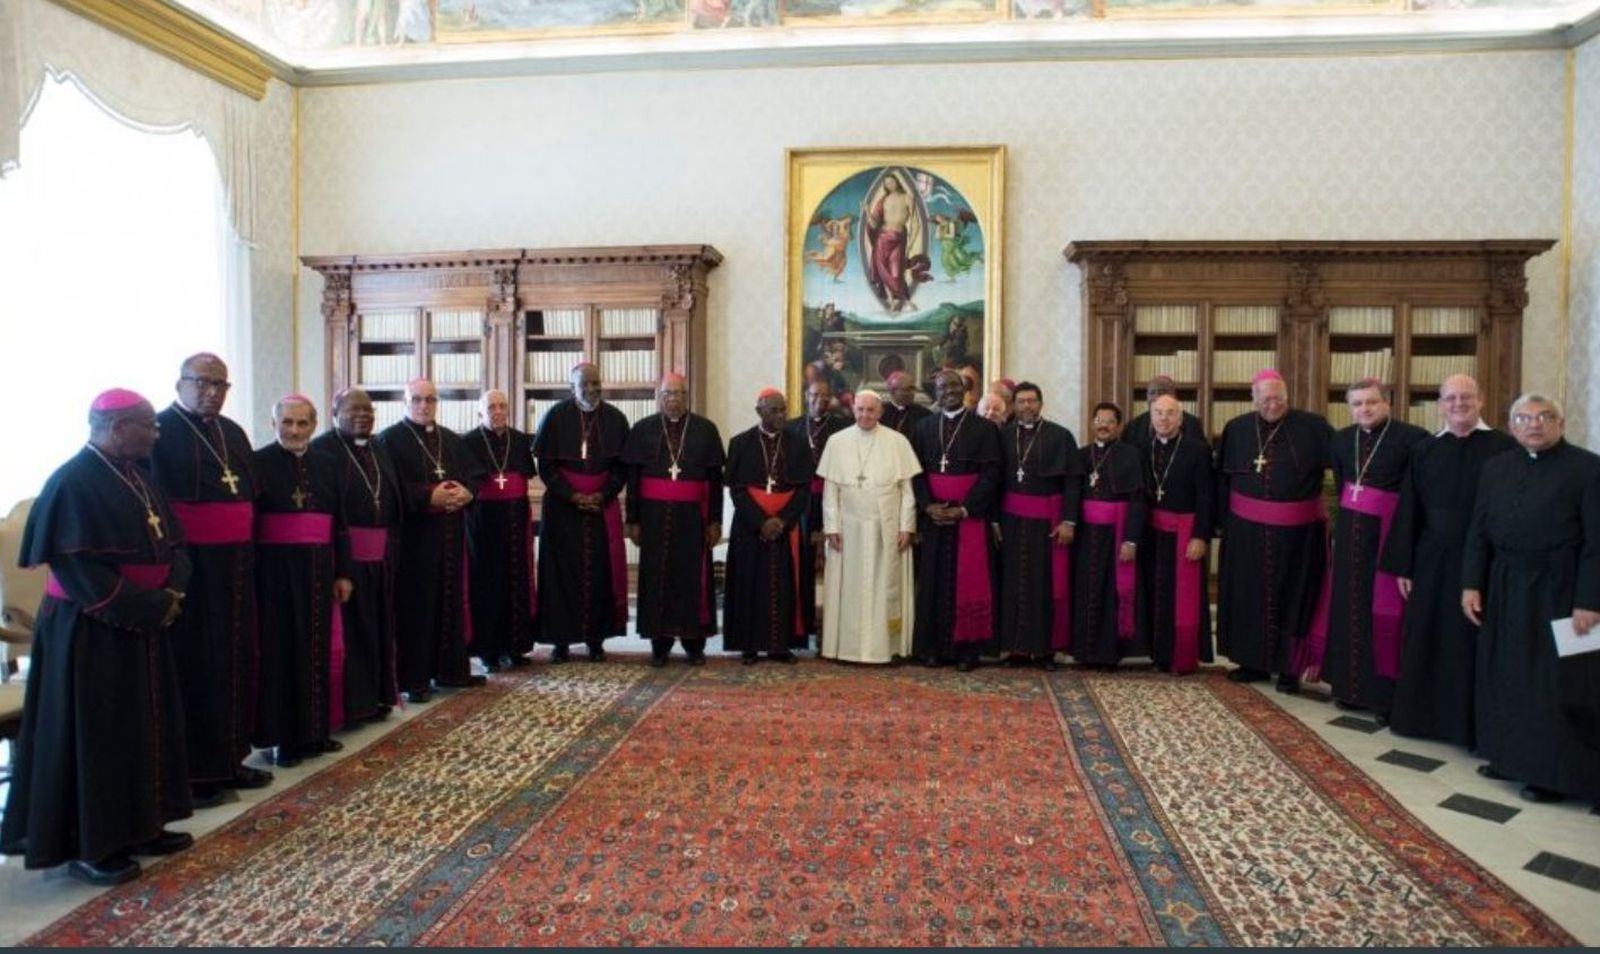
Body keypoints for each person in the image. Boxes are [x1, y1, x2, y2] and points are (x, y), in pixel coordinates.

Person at [1, 390, 194, 886]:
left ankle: (143, 824)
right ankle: (93, 844)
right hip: (92, 632)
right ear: (114, 427)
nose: (157, 433)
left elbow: (174, 545)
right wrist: (149, 606)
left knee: (144, 727)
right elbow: (80, 573)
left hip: (144, 626)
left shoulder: (138, 477)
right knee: (100, 737)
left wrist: (172, 592)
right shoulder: (71, 483)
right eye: (148, 425)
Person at [1462, 393, 1600, 803]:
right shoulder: (1496, 468)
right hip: (1504, 583)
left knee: (1553, 683)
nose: (1534, 424)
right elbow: (1479, 531)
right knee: (1505, 673)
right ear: (1511, 425)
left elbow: (1597, 544)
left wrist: (1590, 601)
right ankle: (1507, 756)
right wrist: (1472, 583)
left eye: (1544, 417)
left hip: (1560, 588)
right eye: (1523, 417)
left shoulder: (1588, 469)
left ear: (1561, 422)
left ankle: (1552, 773)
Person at [149, 352, 271, 806]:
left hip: (237, 569)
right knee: (198, 666)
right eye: (201, 382)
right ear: (180, 382)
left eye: (220, 384)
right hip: (194, 572)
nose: (211, 392)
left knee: (235, 661)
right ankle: (196, 775)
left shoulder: (232, 432)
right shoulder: (158, 433)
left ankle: (231, 760)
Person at [1379, 375, 1516, 747]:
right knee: (1427, 634)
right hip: (1432, 559)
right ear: (1440, 404)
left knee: (1474, 640)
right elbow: (1410, 507)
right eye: (1450, 398)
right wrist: (1404, 565)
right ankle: (1423, 718)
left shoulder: (1504, 447)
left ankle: (1473, 726)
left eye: (1466, 397)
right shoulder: (1425, 449)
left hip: (1484, 560)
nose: (1458, 404)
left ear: (1482, 400)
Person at [1315, 379, 1428, 723]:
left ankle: (1385, 696)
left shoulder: (1413, 439)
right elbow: (1346, 483)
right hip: (1351, 534)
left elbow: (1416, 495)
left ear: (1387, 403)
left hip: (1390, 534)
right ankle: (1349, 689)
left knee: (1386, 614)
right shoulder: (1342, 438)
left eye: (1371, 402)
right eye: (1357, 404)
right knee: (1349, 607)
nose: (1364, 409)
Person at [1214, 369, 1334, 693]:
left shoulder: (1314, 427)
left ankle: (1289, 669)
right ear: (1253, 398)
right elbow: (1223, 481)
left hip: (1298, 536)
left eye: (1278, 397)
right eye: (1265, 398)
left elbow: (1338, 473)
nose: (1272, 404)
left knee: (1295, 598)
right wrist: (1222, 525)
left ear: (1287, 396)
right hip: (1245, 533)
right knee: (1247, 596)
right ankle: (1251, 662)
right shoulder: (1236, 429)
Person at [252, 395, 350, 768]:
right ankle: (283, 740)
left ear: (313, 425)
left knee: (316, 650)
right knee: (281, 654)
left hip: (320, 570)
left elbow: (339, 522)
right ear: (273, 424)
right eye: (287, 423)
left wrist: (343, 572)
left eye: (302, 423)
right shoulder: (258, 463)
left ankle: (315, 731)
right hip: (274, 574)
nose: (294, 430)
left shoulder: (327, 463)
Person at [376, 378, 483, 702]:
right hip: (414, 540)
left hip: (450, 536)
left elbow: (473, 476)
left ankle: (452, 670)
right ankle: (415, 679)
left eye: (430, 400)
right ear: (405, 401)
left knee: (450, 601)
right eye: (417, 399)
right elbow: (388, 489)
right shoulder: (389, 441)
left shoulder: (451, 439)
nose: (424, 406)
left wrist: (467, 492)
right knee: (417, 608)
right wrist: (428, 497)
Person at [311, 387, 402, 726]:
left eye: (368, 410)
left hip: (382, 557)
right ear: (335, 412)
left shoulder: (379, 446)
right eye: (354, 410)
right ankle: (353, 707)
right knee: (353, 634)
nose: (363, 415)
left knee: (379, 629)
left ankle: (378, 698)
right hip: (348, 557)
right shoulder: (322, 451)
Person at [532, 362, 631, 662]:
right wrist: (572, 495)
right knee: (561, 574)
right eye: (584, 384)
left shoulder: (615, 418)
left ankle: (596, 638)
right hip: (563, 509)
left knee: (601, 572)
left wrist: (603, 494)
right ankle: (561, 640)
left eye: (595, 383)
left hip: (602, 505)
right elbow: (546, 467)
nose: (591, 389)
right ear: (571, 386)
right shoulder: (555, 416)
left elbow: (622, 467)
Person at [624, 374, 725, 666]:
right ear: (660, 396)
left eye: (679, 393)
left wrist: (715, 521)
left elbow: (715, 480)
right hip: (653, 518)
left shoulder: (705, 430)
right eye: (668, 393)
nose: (673, 398)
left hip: (693, 519)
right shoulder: (643, 429)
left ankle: (694, 645)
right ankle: (660, 644)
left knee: (691, 579)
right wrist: (633, 519)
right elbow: (633, 479)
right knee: (656, 578)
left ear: (687, 395)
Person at [818, 391, 921, 663]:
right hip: (848, 528)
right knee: (849, 589)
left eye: (870, 410)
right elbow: (831, 491)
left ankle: (888, 647)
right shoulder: (836, 442)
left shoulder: (897, 442)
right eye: (860, 409)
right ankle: (846, 648)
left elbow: (907, 491)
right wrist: (831, 527)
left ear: (880, 412)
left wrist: (906, 526)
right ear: (853, 410)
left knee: (884, 586)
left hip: (885, 529)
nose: (865, 415)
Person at [910, 369, 1002, 670]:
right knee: (932, 582)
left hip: (969, 518)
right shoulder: (923, 427)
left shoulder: (984, 429)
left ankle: (967, 652)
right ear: (934, 392)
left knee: (969, 582)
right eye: (941, 387)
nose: (947, 391)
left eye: (953, 385)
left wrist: (965, 508)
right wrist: (927, 506)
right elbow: (915, 472)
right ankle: (932, 649)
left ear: (964, 389)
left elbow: (992, 475)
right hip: (934, 517)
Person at [723, 388, 813, 664]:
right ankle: (748, 645)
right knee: (748, 582)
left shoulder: (798, 443)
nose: (780, 415)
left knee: (785, 585)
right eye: (774, 410)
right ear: (759, 411)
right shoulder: (740, 443)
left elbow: (803, 489)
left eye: (783, 409)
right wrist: (761, 522)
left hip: (786, 527)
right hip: (750, 526)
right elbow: (737, 490)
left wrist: (783, 520)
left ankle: (780, 645)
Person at [996, 382, 1080, 670]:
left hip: (1047, 522)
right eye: (1021, 402)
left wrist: (1068, 520)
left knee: (1043, 585)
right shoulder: (1004, 436)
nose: (1027, 407)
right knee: (1013, 584)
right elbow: (996, 482)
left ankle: (1045, 651)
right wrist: (995, 521)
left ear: (1041, 404)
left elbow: (1071, 482)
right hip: (1011, 521)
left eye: (1032, 401)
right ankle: (1016, 649)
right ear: (1014, 405)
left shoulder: (1060, 436)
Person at [1136, 393, 1214, 675]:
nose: (1164, 419)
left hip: (1185, 533)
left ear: (1181, 418)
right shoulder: (1142, 448)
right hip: (1152, 533)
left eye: (1170, 413)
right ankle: (1158, 653)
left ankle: (1182, 656)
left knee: (1181, 596)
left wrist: (1200, 536)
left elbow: (1206, 496)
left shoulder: (1197, 450)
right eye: (1158, 413)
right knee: (1156, 593)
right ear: (1150, 416)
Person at [464, 389, 537, 672]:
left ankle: (515, 646)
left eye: (502, 406)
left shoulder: (519, 440)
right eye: (491, 407)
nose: (497, 411)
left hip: (516, 516)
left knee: (516, 580)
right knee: (487, 583)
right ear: (480, 412)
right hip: (484, 521)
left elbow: (525, 475)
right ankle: (488, 651)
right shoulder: (468, 442)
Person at [1073, 402, 1147, 670]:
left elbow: (1138, 501)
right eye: (1099, 420)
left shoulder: (1130, 455)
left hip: (1116, 534)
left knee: (1110, 594)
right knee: (1085, 590)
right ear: (1092, 423)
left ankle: (1107, 654)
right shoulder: (1082, 455)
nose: (1103, 426)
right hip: (1086, 536)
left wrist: (1131, 540)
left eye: (1109, 421)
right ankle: (1084, 652)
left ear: (1118, 426)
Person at [788, 380, 850, 650]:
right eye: (814, 395)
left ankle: (837, 624)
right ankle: (803, 623)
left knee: (836, 559)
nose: (820, 400)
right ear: (806, 396)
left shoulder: (842, 427)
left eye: (825, 396)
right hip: (801, 501)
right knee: (802, 561)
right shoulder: (792, 427)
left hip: (835, 500)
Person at [1123, 375, 1207, 448]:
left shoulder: (1192, 424)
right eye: (1152, 393)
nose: (1156, 397)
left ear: (1174, 395)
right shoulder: (1134, 425)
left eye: (1162, 392)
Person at [880, 371, 931, 436]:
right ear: (892, 391)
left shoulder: (924, 414)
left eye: (913, 388)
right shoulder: (880, 411)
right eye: (907, 389)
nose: (912, 393)